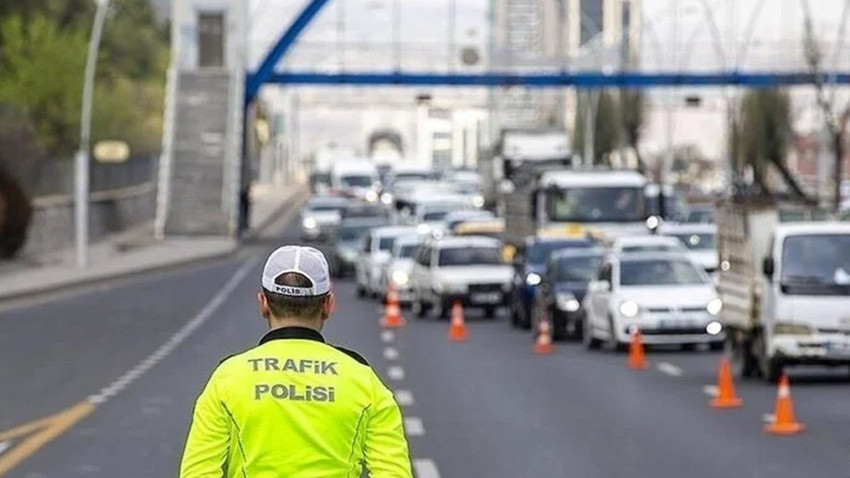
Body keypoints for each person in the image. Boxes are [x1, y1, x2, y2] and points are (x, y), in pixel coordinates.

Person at [179, 245, 412, 477]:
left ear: (263, 303)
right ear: (328, 305)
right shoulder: (363, 381)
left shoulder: (227, 379)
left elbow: (197, 473)